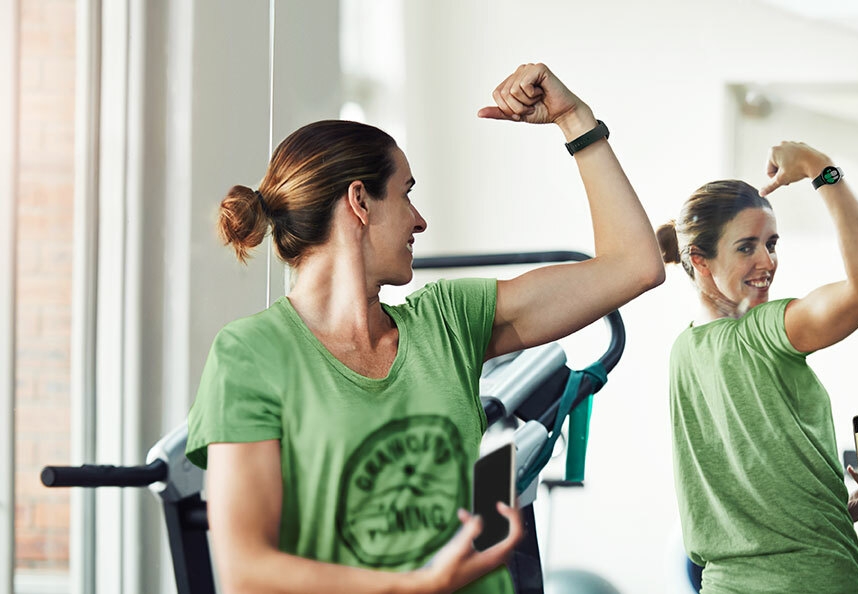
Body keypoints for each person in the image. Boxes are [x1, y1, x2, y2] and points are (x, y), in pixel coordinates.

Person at [186, 63, 664, 594]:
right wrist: (416, 587)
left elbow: (634, 265)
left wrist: (575, 120)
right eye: (406, 193)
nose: (419, 220)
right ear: (360, 201)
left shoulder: (449, 320)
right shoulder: (251, 354)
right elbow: (246, 571)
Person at [656, 141, 858, 593]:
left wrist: (847, 509)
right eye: (746, 247)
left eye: (771, 244)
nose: (767, 262)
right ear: (699, 260)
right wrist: (820, 167)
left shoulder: (683, 352)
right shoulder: (767, 331)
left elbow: (756, 525)